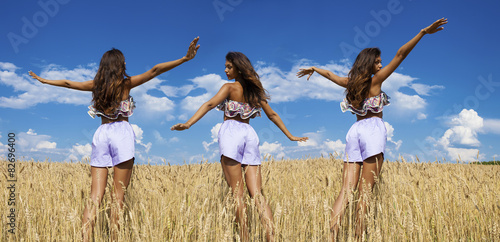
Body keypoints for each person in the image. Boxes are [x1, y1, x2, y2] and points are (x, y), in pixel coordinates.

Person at [29, 37, 200, 241]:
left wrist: (44, 80)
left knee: (95, 198)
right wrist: (184, 59)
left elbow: (67, 83)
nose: (126, 63)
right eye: (124, 61)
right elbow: (155, 71)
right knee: (118, 197)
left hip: (101, 134)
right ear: (119, 65)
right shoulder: (126, 84)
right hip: (121, 133)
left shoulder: (95, 86)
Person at [297, 18, 447, 240]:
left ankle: (331, 237)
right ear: (369, 64)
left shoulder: (350, 83)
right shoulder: (375, 81)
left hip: (354, 131)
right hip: (373, 131)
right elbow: (400, 55)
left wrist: (314, 68)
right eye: (377, 61)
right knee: (365, 194)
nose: (380, 65)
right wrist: (422, 32)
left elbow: (330, 75)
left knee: (346, 191)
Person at [171, 51, 308, 241]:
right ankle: (271, 236)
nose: (225, 70)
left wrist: (188, 123)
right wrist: (290, 136)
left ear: (239, 68)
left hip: (231, 134)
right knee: (257, 194)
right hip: (250, 135)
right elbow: (273, 115)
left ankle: (244, 237)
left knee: (237, 194)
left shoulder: (229, 88)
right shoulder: (255, 93)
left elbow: (210, 104)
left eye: (229, 66)